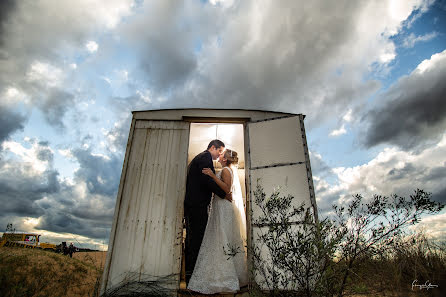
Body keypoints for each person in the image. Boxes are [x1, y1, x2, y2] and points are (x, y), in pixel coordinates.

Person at [187, 149, 248, 294]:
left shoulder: (226, 170)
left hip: (223, 207)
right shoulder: (226, 169)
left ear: (226, 159)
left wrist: (213, 176)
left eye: (222, 154)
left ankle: (225, 277)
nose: (219, 156)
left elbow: (226, 189)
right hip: (219, 206)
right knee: (220, 239)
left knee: (221, 238)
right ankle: (219, 274)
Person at [184, 140, 232, 284]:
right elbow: (207, 181)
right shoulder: (205, 157)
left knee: (194, 239)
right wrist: (224, 194)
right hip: (197, 206)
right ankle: (192, 277)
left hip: (194, 205)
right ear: (212, 147)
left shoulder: (199, 158)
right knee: (196, 240)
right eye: (219, 151)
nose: (219, 155)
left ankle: (191, 276)